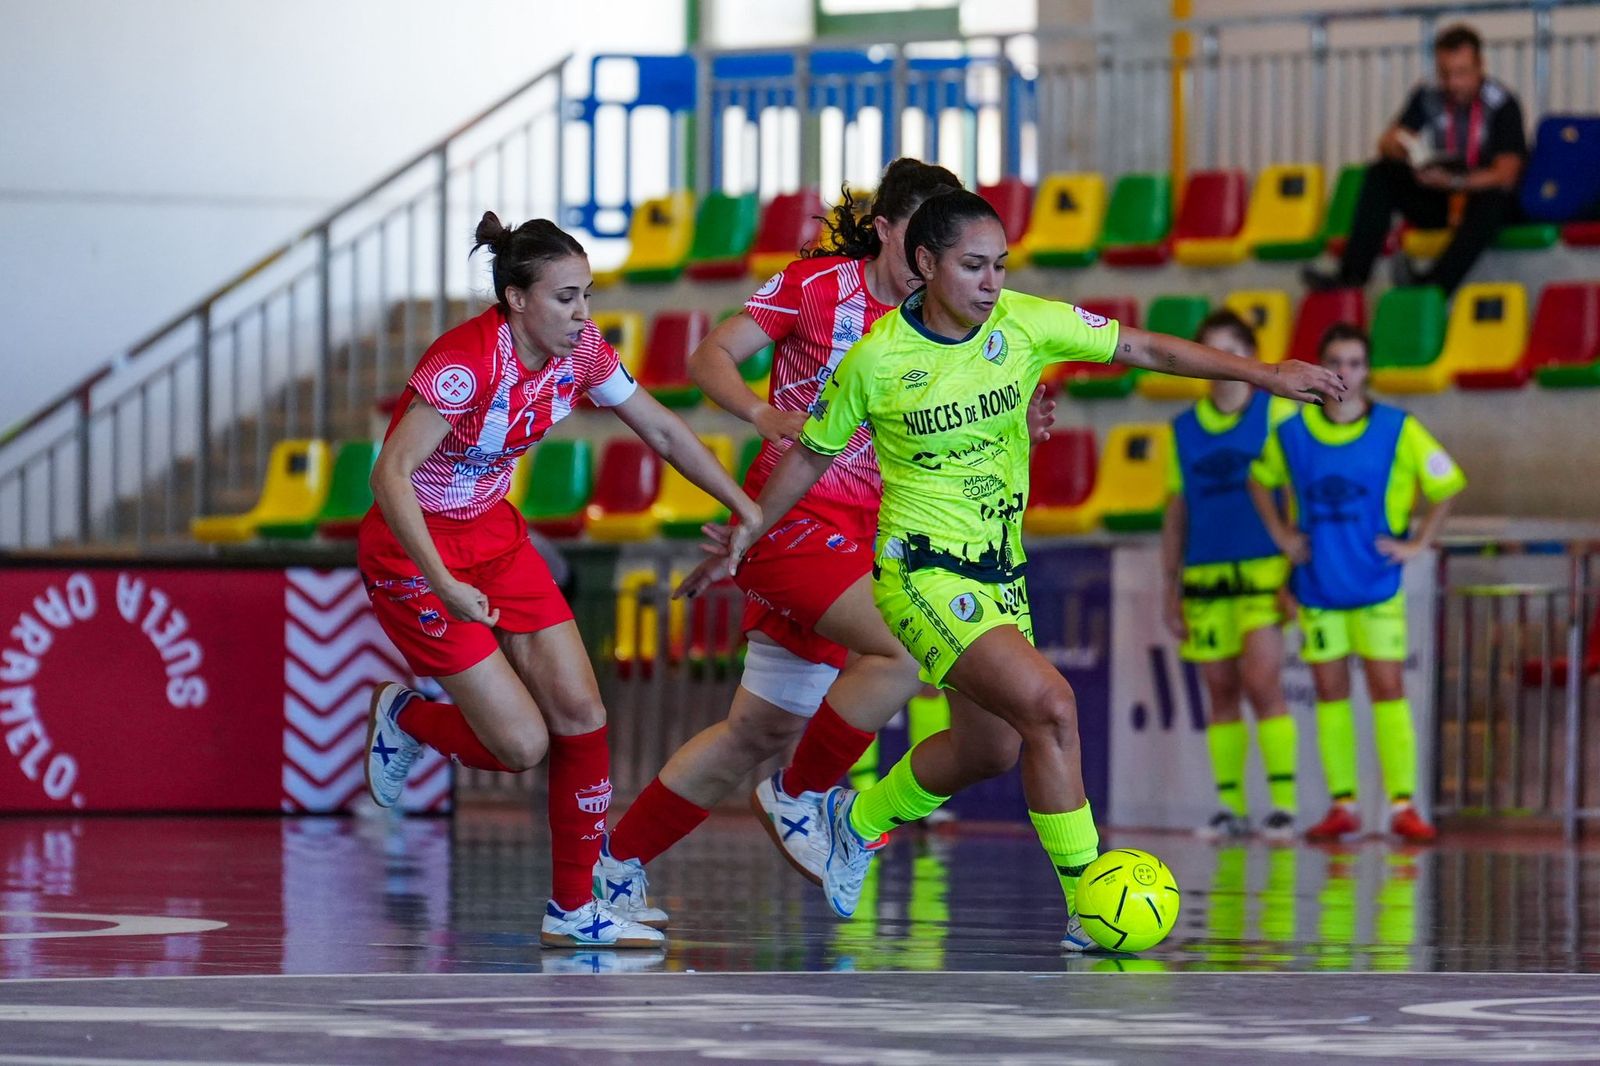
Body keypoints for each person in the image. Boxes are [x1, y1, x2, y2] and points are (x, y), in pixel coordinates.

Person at [716, 190, 1344, 949]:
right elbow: (809, 457)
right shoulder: (877, 358)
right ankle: (1089, 901)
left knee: (991, 749)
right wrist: (748, 529)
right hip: (921, 575)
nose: (991, 282)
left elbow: (1146, 349)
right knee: (1051, 706)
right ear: (925, 263)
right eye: (973, 266)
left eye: (1000, 265)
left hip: (1000, 575)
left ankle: (858, 820)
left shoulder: (1025, 322)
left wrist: (1266, 374)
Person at [594, 161, 1054, 926]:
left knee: (755, 731)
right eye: (923, 232)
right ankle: (804, 799)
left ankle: (611, 870)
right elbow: (709, 356)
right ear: (886, 230)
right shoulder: (818, 287)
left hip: (876, 539)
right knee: (903, 646)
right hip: (797, 522)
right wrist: (759, 413)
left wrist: (1020, 428)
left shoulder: (952, 323)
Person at [356, 212, 758, 948]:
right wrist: (442, 581)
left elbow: (662, 429)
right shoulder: (465, 361)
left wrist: (743, 506)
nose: (582, 313)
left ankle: (573, 910)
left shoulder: (585, 353)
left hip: (494, 536)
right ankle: (406, 717)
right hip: (414, 553)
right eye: (566, 297)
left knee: (581, 710)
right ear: (516, 299)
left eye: (587, 295)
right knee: (521, 747)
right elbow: (391, 475)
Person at [1248, 323, 1464, 844]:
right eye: (1335, 361)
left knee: (1388, 689)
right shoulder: (1293, 433)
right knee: (1329, 692)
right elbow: (1258, 479)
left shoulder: (1398, 427)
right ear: (1320, 367)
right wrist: (1282, 535)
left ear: (1367, 370)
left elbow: (1448, 483)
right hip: (1318, 585)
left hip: (1376, 584)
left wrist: (1419, 543)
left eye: (1354, 362)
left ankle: (1403, 806)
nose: (1344, 371)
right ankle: (1343, 805)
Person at [1160, 310, 1300, 843]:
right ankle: (1230, 807)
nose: (1221, 364)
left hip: (1264, 572)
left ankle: (1283, 805)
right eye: (1211, 353)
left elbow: (1299, 491)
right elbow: (1177, 512)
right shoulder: (1182, 429)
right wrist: (1169, 587)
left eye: (1231, 351)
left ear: (1249, 356)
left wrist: (1294, 572)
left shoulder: (1278, 413)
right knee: (1219, 691)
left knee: (1263, 683)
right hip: (1205, 575)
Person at [1304, 23, 1527, 297]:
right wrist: (1406, 150)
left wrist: (1455, 181)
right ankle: (1352, 276)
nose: (1452, 83)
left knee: (1497, 199)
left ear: (1480, 66)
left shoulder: (1503, 104)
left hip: (1480, 201)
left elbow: (1506, 174)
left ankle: (1433, 285)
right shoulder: (1429, 94)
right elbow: (1387, 142)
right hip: (1442, 194)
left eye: (1461, 73)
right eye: (1445, 74)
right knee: (1381, 173)